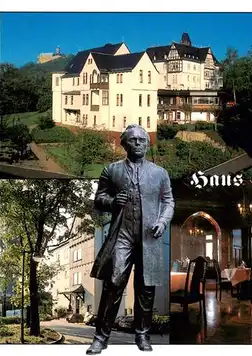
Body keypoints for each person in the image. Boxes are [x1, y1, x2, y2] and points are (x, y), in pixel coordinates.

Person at [86, 124, 174, 355]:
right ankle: (100, 337)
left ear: (148, 143)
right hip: (122, 235)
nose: (138, 144)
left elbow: (169, 202)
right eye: (133, 140)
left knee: (146, 289)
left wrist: (163, 222)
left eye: (142, 140)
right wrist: (112, 202)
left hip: (149, 238)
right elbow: (99, 199)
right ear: (124, 144)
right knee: (114, 284)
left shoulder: (160, 173)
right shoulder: (111, 170)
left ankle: (142, 336)